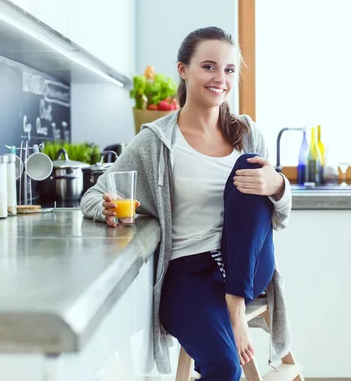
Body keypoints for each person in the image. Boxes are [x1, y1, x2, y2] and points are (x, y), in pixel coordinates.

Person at [81, 26, 293, 380]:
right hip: (189, 270)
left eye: (228, 70)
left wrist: (278, 184)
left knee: (250, 169)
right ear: (183, 70)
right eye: (208, 67)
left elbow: (277, 216)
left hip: (250, 265)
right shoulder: (156, 142)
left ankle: (235, 303)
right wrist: (104, 207)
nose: (220, 79)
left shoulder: (249, 134)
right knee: (225, 368)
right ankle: (231, 305)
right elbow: (92, 195)